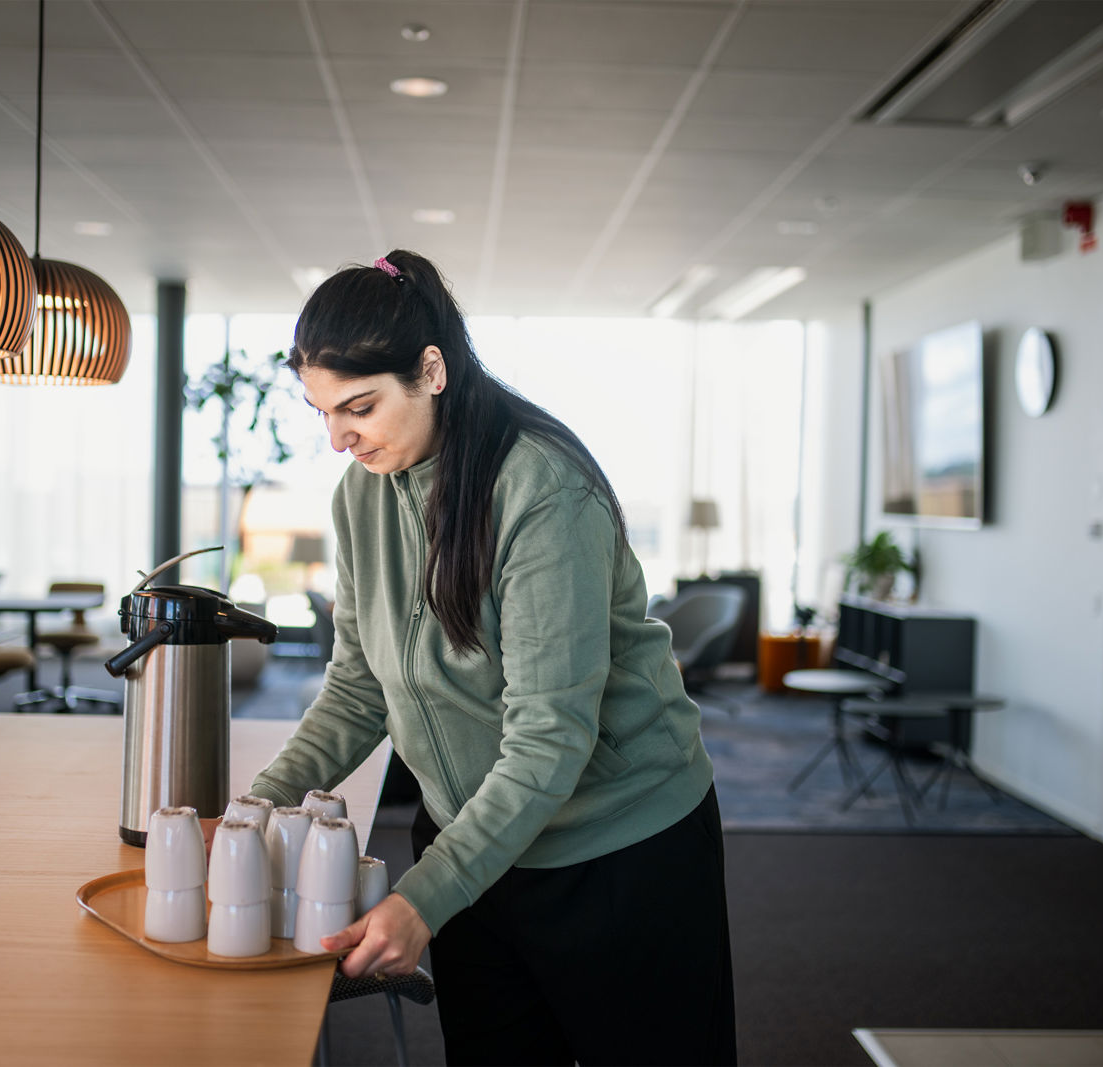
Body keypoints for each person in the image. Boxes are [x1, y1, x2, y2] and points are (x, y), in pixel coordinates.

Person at [247, 250, 736, 1066]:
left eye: (359, 406)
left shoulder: (542, 489)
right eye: (321, 411)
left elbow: (549, 737)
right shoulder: (361, 495)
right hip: (473, 847)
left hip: (617, 851)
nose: (337, 438)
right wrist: (255, 806)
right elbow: (357, 688)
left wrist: (424, 897)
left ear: (431, 370)